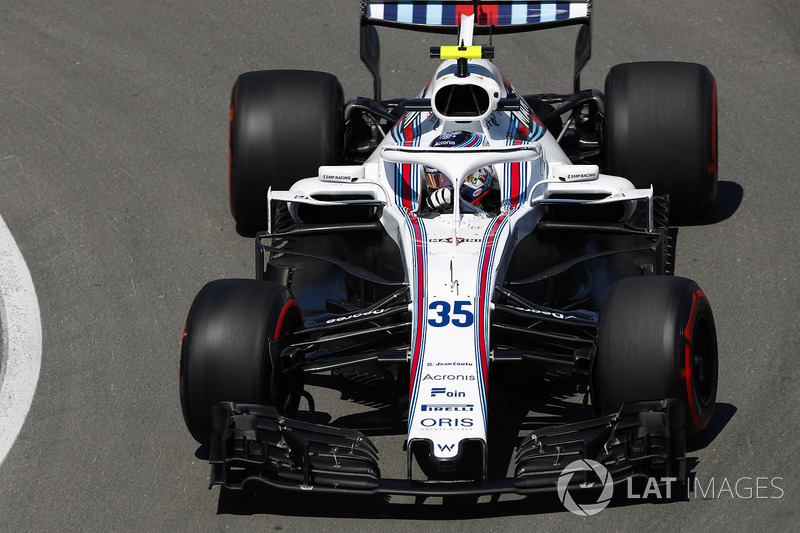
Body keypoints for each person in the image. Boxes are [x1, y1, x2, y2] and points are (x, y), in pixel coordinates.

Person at [423, 130, 496, 212]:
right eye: (436, 181)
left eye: (449, 180)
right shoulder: (423, 206)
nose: (444, 189)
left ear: (482, 172)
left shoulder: (504, 203)